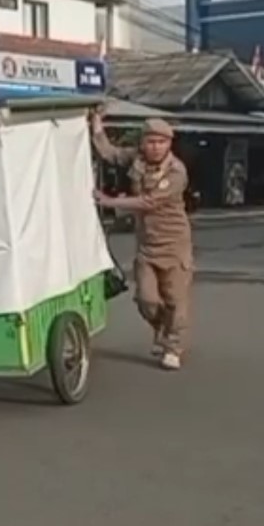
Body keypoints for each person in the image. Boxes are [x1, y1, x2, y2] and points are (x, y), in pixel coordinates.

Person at [89, 111, 194, 371]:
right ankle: (161, 328)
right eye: (151, 141)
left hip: (174, 243)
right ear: (143, 143)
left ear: (170, 144)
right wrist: (96, 124)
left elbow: (149, 202)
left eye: (162, 142)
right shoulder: (136, 158)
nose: (156, 147)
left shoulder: (176, 171)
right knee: (146, 300)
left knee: (174, 299)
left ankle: (173, 346)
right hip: (147, 244)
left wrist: (110, 201)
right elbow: (109, 153)